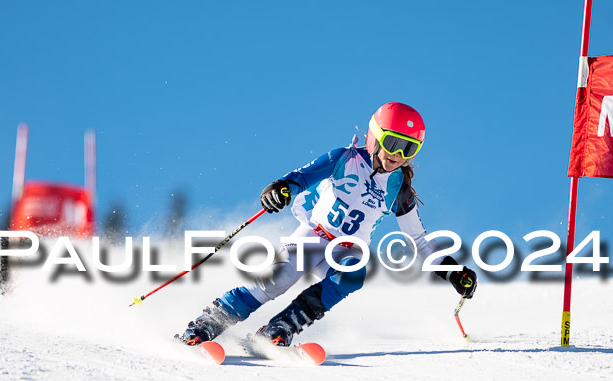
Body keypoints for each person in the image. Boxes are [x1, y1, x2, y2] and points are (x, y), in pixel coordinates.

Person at [177, 102, 477, 346]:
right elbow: (301, 178)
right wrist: (280, 189)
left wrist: (452, 272)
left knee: (353, 274)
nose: (397, 155)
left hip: (345, 250)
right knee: (276, 281)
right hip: (314, 235)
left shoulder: (399, 189)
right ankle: (207, 324)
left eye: (408, 149)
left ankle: (280, 328)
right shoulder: (344, 159)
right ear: (374, 137)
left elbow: (420, 240)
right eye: (393, 143)